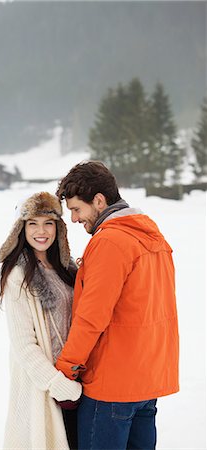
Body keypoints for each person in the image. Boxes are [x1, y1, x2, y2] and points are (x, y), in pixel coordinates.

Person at [55, 161, 179, 450]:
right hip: (147, 382)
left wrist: (65, 369)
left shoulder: (110, 241)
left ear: (99, 200)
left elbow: (91, 318)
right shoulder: (152, 237)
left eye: (77, 209)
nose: (73, 219)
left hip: (111, 389)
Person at [0, 192, 82, 450]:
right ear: (21, 228)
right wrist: (58, 385)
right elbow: (23, 345)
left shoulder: (66, 268)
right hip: (45, 386)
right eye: (32, 223)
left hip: (75, 378)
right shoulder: (18, 273)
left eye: (48, 222)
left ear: (58, 227)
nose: (41, 231)